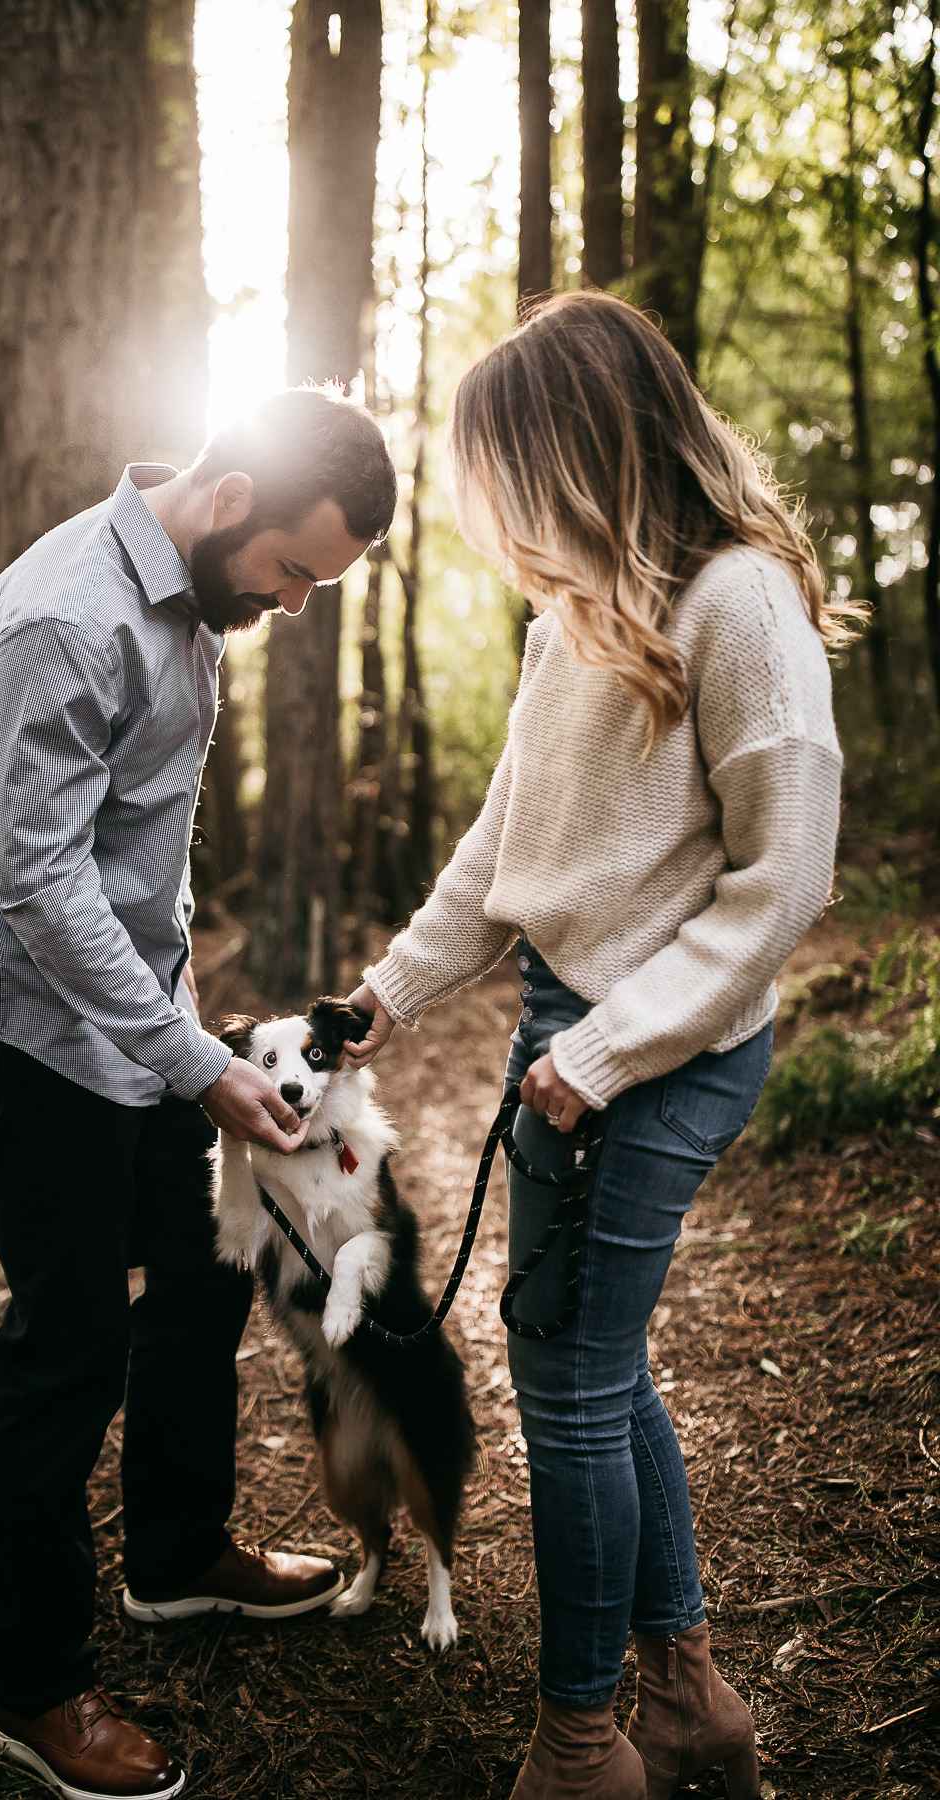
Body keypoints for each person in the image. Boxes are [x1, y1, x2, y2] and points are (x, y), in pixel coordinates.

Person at [346, 292, 849, 1800]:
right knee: (593, 1363)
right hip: (577, 1035)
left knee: (561, 1383)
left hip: (663, 1052)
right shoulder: (571, 619)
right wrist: (392, 992)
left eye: (500, 477)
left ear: (575, 454)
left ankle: (583, 1743)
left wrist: (612, 1053)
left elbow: (782, 886)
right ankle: (685, 1697)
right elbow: (509, 846)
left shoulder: (740, 606)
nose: (489, 516)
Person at [0, 387, 397, 1800]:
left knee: (201, 1276)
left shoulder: (189, 612)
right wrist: (201, 1069)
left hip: (133, 1037)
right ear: (229, 492)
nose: (299, 604)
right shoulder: (67, 616)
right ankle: (36, 1687)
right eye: (296, 570)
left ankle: (179, 1559)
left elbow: (139, 866)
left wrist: (188, 1038)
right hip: (27, 1036)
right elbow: (45, 888)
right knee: (67, 1348)